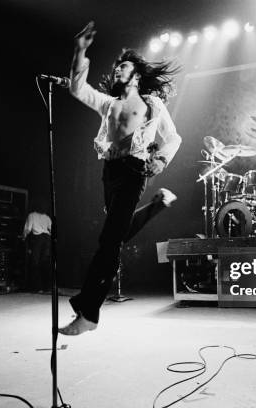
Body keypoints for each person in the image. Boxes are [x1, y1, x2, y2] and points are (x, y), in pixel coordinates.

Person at [60, 21, 182, 335]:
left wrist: (161, 161)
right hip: (109, 173)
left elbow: (173, 138)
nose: (117, 70)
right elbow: (78, 88)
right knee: (117, 234)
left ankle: (89, 313)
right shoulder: (109, 103)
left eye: (123, 66)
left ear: (137, 74)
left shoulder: (152, 105)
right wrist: (80, 49)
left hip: (134, 171)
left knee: (109, 242)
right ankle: (158, 205)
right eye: (116, 67)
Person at [23, 202, 52, 293]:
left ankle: (37, 287)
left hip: (38, 239)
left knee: (35, 263)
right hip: (47, 239)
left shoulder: (32, 215)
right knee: (45, 262)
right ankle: (46, 287)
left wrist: (23, 237)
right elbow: (51, 229)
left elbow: (28, 229)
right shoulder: (47, 217)